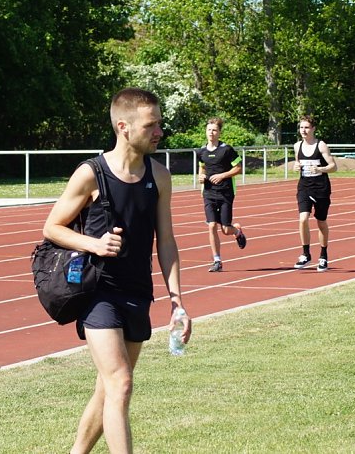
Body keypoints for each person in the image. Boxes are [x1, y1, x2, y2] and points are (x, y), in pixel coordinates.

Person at [42, 88, 191, 454]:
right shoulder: (91, 174)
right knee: (121, 382)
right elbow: (52, 228)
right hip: (98, 292)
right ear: (123, 127)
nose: (159, 132)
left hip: (137, 291)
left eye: (160, 124)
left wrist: (177, 302)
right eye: (151, 125)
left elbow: (166, 241)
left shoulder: (160, 175)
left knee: (108, 388)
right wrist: (94, 244)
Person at [198, 117, 247, 272]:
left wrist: (222, 175)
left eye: (214, 130)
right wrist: (200, 177)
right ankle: (217, 261)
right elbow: (202, 168)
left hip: (225, 193)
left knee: (225, 230)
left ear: (219, 132)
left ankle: (237, 231)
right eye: (209, 130)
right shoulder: (201, 151)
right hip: (208, 193)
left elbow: (238, 168)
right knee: (212, 225)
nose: (211, 133)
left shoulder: (226, 150)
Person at [292, 114, 337, 272]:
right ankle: (305, 254)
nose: (303, 130)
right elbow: (297, 162)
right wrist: (295, 166)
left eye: (306, 127)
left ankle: (323, 255)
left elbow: (333, 166)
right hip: (304, 186)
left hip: (321, 188)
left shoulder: (321, 145)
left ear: (313, 129)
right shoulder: (297, 146)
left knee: (321, 221)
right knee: (303, 218)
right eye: (301, 127)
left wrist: (320, 169)